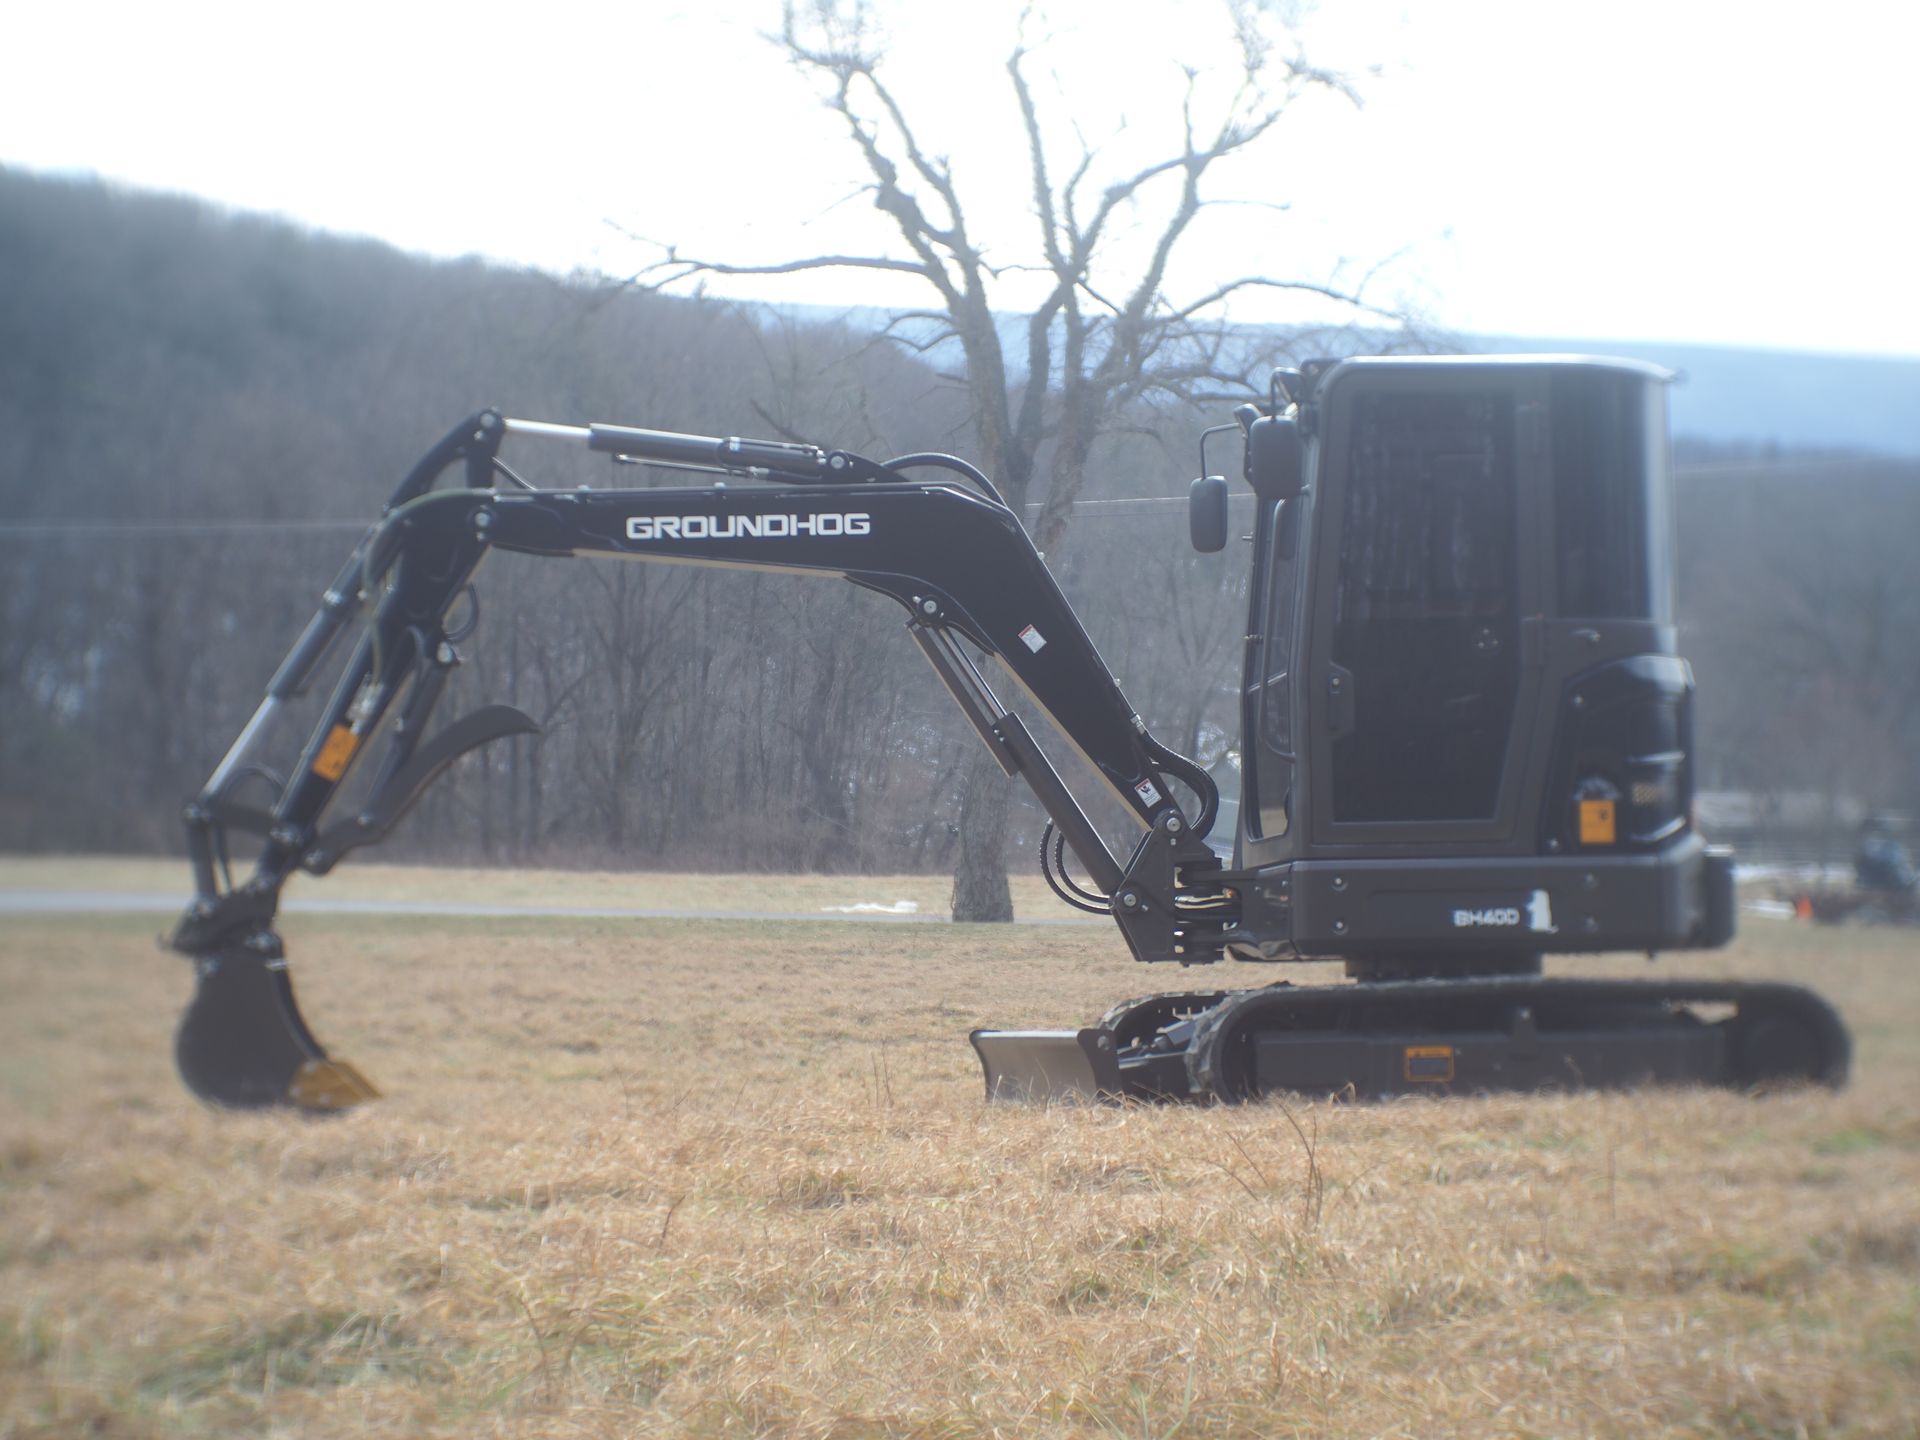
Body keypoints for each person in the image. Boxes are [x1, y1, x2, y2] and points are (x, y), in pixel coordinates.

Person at [1854, 819, 1918, 893]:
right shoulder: (1872, 846)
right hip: (1881, 880)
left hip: (1892, 881)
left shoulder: (1893, 847)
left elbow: (1899, 864)